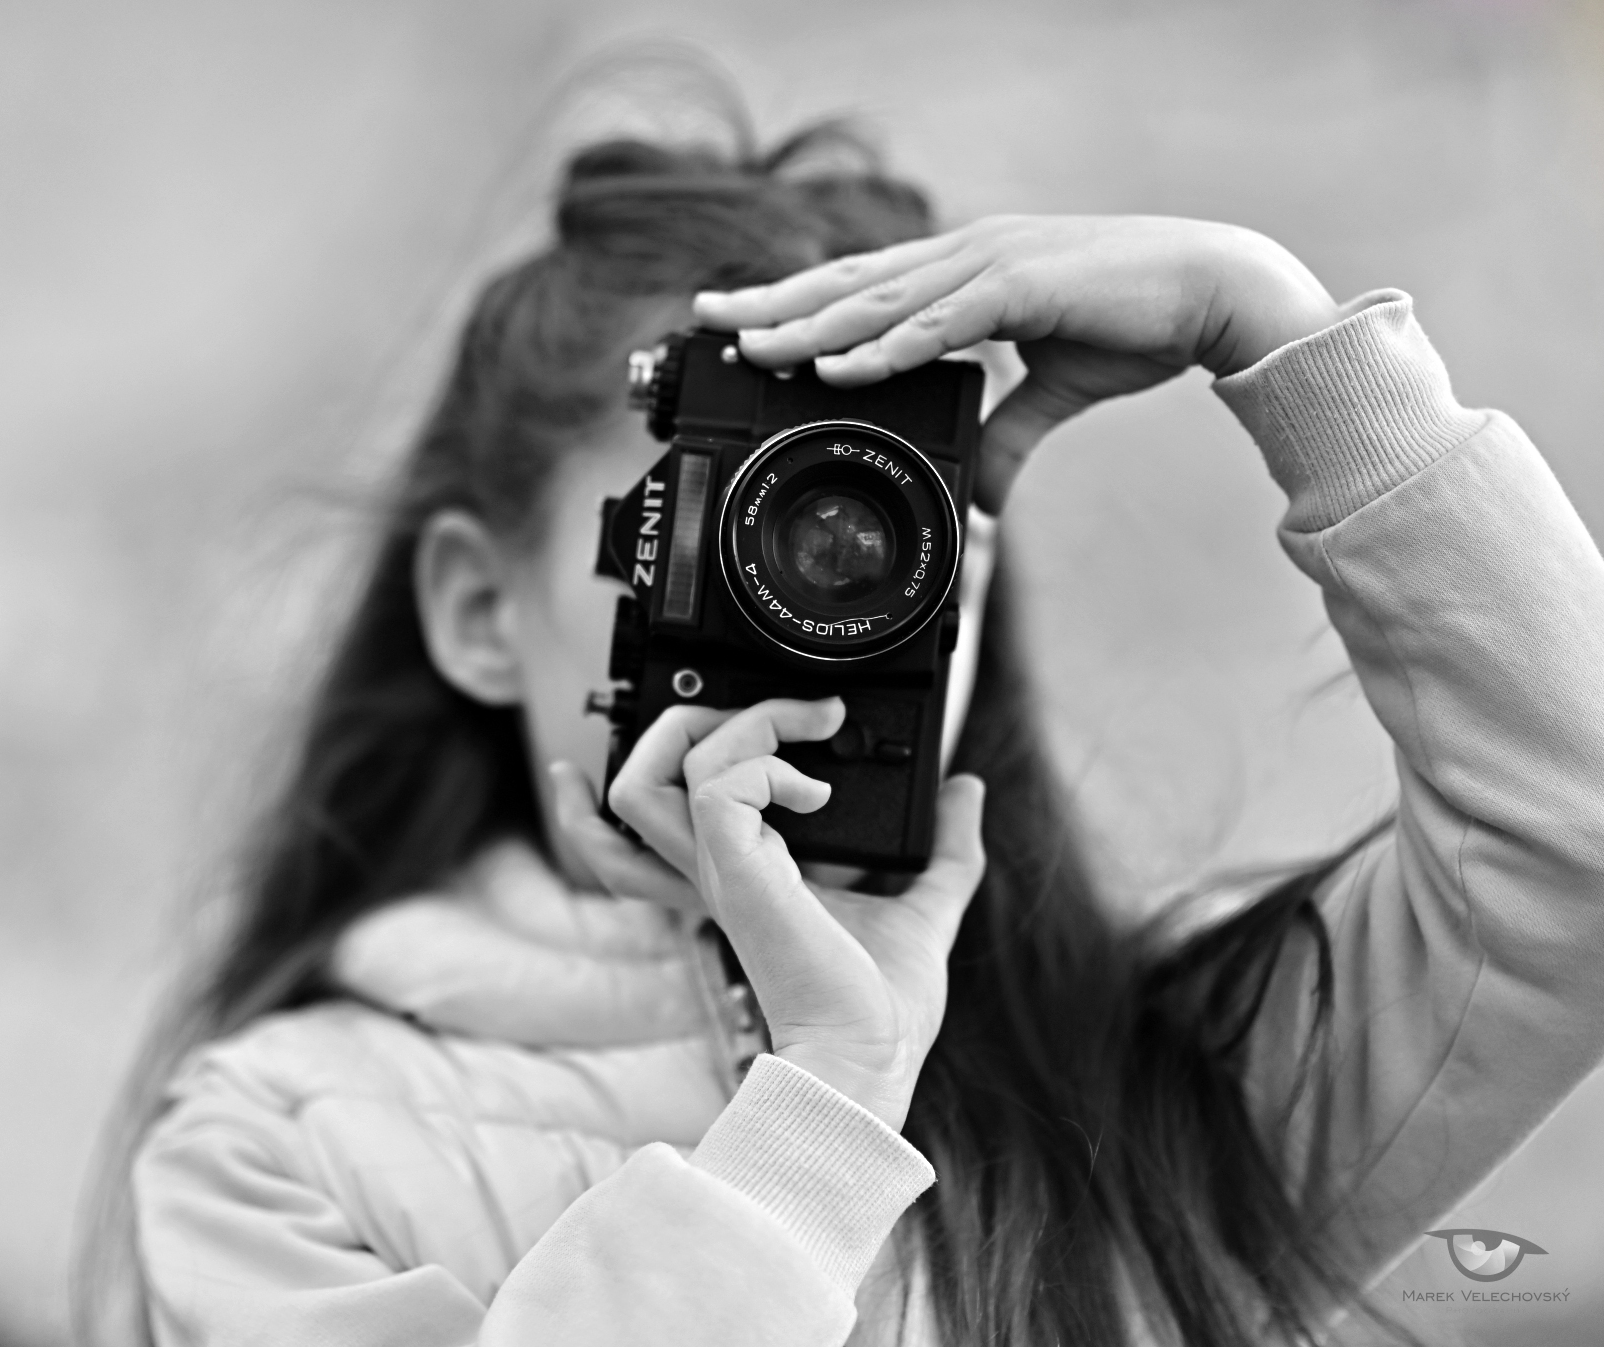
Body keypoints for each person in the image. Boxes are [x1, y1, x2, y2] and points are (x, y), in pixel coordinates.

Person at [82, 124, 1604, 1347]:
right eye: (727, 535)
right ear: (480, 609)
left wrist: (1275, 327)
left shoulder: (1151, 1100)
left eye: (893, 549)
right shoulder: (274, 1152)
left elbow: (1576, 851)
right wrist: (824, 1104)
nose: (813, 605)